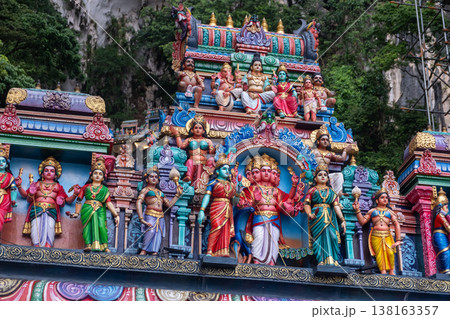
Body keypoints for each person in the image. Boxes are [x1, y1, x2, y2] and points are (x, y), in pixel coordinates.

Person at [239, 154, 299, 265]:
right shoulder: (252, 189)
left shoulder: (275, 191)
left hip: (274, 218)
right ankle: (257, 260)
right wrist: (253, 201)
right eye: (263, 170)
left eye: (269, 171)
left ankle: (272, 261)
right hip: (258, 217)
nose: (266, 173)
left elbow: (287, 200)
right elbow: (244, 203)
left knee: (273, 240)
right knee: (259, 237)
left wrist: (294, 186)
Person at [16, 156, 79, 247]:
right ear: (42, 174)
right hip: (37, 208)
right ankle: (36, 246)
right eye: (46, 170)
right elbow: (26, 197)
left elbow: (67, 201)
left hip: (51, 210)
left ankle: (47, 247)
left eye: (52, 171)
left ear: (56, 175)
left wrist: (75, 194)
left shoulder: (58, 186)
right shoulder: (37, 184)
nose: (49, 172)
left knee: (50, 227)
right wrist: (19, 186)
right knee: (35, 227)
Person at [70, 157, 119, 252]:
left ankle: (104, 246)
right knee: (87, 226)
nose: (97, 175)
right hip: (87, 208)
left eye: (100, 174)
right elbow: (79, 200)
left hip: (100, 209)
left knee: (101, 226)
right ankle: (88, 244)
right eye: (95, 173)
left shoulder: (105, 190)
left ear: (103, 177)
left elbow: (108, 203)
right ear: (91, 176)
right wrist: (76, 212)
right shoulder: (85, 187)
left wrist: (116, 215)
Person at [304, 164, 346, 266]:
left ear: (328, 178)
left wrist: (342, 219)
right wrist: (309, 214)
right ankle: (320, 260)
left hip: (330, 215)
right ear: (315, 178)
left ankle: (334, 260)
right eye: (320, 175)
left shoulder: (331, 192)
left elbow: (336, 206)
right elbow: (306, 204)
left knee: (333, 237)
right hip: (317, 216)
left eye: (325, 175)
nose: (323, 176)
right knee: (319, 238)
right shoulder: (312, 190)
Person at [352, 188, 402, 275]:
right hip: (376, 235)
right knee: (379, 254)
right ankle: (383, 272)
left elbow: (397, 224)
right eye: (382, 197)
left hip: (387, 235)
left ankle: (391, 271)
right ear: (377, 200)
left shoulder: (390, 212)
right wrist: (357, 210)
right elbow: (362, 222)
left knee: (390, 253)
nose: (385, 199)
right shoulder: (372, 211)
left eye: (386, 197)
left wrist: (398, 240)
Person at [136, 166, 183, 256]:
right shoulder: (145, 190)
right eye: (151, 176)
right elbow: (139, 202)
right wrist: (141, 218)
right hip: (150, 214)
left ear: (158, 180)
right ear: (147, 179)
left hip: (160, 216)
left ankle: (155, 251)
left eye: (156, 177)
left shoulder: (160, 193)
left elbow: (168, 205)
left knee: (158, 234)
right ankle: (144, 250)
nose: (154, 178)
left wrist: (177, 195)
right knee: (151, 231)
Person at [198, 154, 237, 257]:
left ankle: (223, 251)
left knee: (226, 229)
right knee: (216, 226)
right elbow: (207, 196)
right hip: (217, 206)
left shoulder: (231, 185)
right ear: (218, 171)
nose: (226, 171)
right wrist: (202, 210)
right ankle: (210, 251)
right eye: (224, 169)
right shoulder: (213, 182)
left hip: (228, 208)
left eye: (228, 169)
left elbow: (235, 200)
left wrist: (238, 186)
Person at [170, 114, 215, 193]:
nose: (198, 130)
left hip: (204, 164)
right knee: (189, 161)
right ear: (192, 130)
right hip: (192, 162)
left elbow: (211, 152)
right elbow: (181, 146)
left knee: (211, 159)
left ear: (204, 131)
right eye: (196, 128)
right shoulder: (189, 139)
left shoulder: (208, 141)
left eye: (200, 128)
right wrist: (177, 134)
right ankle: (188, 177)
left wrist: (215, 148)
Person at [311, 125, 352, 196]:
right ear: (318, 141)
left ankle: (338, 193)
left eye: (327, 140)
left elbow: (342, 159)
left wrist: (345, 151)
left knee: (339, 175)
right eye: (323, 139)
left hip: (326, 176)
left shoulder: (330, 154)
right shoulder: (313, 152)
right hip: (314, 175)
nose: (325, 141)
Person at [431, 188, 450, 274]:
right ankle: (445, 270)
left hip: (443, 235)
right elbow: (448, 228)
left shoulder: (443, 216)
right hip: (439, 236)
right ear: (441, 207)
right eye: (446, 206)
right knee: (445, 252)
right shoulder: (440, 216)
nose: (447, 209)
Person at [0, 144, 16, 234]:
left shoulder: (9, 176)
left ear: (6, 164)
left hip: (4, 198)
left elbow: (13, 189)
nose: (0, 163)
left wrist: (13, 199)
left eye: (3, 161)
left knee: (0, 216)